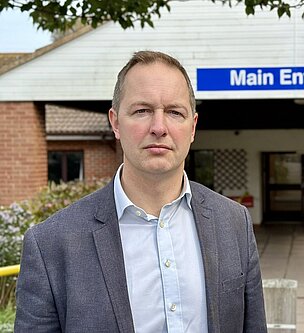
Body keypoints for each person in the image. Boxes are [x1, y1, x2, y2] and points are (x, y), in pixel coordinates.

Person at [15, 51, 267, 333]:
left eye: (174, 112)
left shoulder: (234, 223)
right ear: (115, 122)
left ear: (193, 127)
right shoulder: (51, 243)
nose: (159, 128)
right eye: (142, 111)